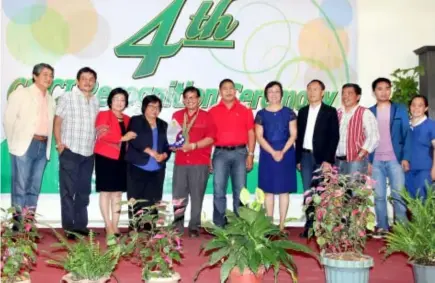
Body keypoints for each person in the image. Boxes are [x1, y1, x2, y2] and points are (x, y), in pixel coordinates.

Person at [3, 63, 55, 224]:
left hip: (43, 145)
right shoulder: (21, 94)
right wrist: (15, 144)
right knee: (20, 187)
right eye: (45, 74)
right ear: (35, 76)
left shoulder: (51, 100)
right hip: (24, 145)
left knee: (34, 188)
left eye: (51, 75)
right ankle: (18, 226)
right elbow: (8, 121)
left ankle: (28, 227)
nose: (49, 78)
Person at [54, 67, 99, 239]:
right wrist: (59, 143)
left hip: (88, 153)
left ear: (94, 82)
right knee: (68, 192)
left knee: (83, 191)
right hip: (70, 150)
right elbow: (57, 121)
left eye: (91, 79)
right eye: (84, 78)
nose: (88, 82)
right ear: (77, 81)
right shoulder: (67, 97)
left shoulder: (95, 101)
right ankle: (69, 227)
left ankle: (81, 225)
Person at [295, 79, 339, 237]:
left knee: (322, 193)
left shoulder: (330, 111)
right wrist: (298, 159)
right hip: (305, 157)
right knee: (308, 193)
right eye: (309, 89)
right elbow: (298, 137)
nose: (312, 92)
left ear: (322, 92)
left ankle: (322, 227)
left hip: (322, 159)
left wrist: (328, 160)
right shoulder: (302, 111)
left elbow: (334, 137)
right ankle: (309, 226)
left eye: (315, 89)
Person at [209, 78, 255, 227]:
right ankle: (219, 225)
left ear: (235, 91)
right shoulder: (212, 111)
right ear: (220, 92)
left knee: (240, 191)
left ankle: (240, 226)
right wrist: (208, 157)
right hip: (220, 154)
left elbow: (251, 133)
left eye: (231, 88)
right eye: (225, 88)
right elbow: (208, 137)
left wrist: (251, 154)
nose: (228, 91)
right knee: (218, 189)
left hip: (241, 153)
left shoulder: (245, 110)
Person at [171, 86, 216, 237]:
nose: (190, 100)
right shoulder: (176, 115)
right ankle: (177, 226)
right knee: (178, 196)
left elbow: (211, 138)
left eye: (193, 97)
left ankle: (194, 227)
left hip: (199, 162)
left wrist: (194, 146)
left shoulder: (207, 116)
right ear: (183, 100)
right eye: (187, 98)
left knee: (197, 196)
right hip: (181, 161)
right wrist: (173, 145)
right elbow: (171, 138)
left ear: (199, 100)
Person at [368, 78, 410, 238]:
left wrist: (406, 157)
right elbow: (366, 137)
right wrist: (368, 161)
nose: (384, 92)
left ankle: (402, 228)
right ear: (374, 92)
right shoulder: (369, 111)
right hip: (376, 160)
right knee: (378, 195)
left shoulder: (400, 109)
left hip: (395, 159)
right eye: (380, 89)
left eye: (387, 88)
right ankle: (382, 226)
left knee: (398, 194)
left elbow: (406, 134)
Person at [94, 88, 137, 239]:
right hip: (105, 157)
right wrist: (123, 137)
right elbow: (102, 134)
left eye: (122, 100)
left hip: (122, 159)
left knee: (118, 193)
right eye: (116, 99)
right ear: (110, 101)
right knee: (106, 192)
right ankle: (108, 225)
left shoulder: (128, 119)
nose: (119, 102)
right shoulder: (103, 115)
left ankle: (116, 225)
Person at [255, 81, 297, 230]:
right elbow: (259, 136)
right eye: (270, 91)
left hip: (286, 153)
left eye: (277, 91)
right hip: (267, 154)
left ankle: (281, 225)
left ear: (281, 94)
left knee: (284, 190)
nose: (274, 94)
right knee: (268, 191)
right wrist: (273, 152)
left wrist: (282, 151)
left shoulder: (289, 113)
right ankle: (269, 224)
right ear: (266, 94)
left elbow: (293, 135)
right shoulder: (261, 114)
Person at [125, 95, 171, 230]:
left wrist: (164, 155)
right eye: (151, 106)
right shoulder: (136, 121)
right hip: (138, 165)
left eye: (157, 107)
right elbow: (134, 139)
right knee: (136, 198)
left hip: (157, 168)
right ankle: (134, 226)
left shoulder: (164, 124)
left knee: (154, 199)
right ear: (145, 107)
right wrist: (150, 151)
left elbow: (168, 144)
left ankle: (150, 226)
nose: (154, 110)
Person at [336, 83, 380, 175]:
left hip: (356, 161)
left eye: (349, 93)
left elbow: (373, 136)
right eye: (343, 93)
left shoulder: (365, 113)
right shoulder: (337, 113)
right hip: (337, 161)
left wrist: (360, 156)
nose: (345, 96)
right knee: (338, 189)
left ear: (358, 97)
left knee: (354, 189)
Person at [406, 95, 435, 200]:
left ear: (426, 108)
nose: (416, 108)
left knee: (423, 203)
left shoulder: (431, 125)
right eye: (413, 105)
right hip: (406, 170)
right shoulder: (405, 125)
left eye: (420, 105)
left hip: (424, 170)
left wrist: (434, 170)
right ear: (409, 107)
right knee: (409, 202)